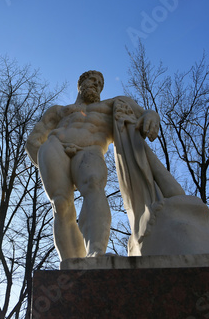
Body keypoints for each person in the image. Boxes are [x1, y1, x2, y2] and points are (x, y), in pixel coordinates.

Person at [25, 70, 162, 260]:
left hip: (90, 149)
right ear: (80, 84)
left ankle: (95, 252)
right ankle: (71, 263)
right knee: (60, 203)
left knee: (93, 184)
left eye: (100, 83)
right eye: (93, 80)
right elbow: (33, 140)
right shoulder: (58, 111)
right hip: (55, 147)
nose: (97, 84)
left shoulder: (112, 104)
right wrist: (44, 162)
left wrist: (152, 117)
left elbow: (145, 113)